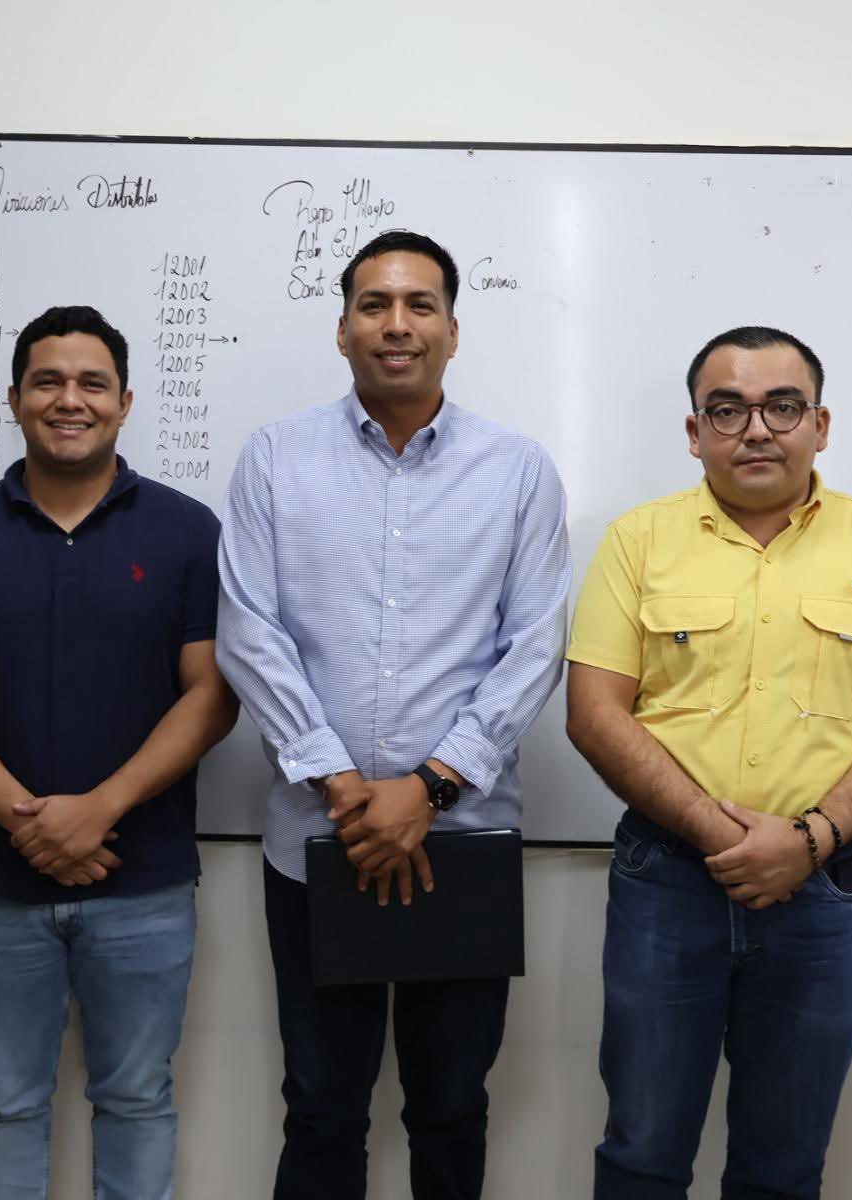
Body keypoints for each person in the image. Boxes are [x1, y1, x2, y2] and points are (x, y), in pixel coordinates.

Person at [216, 229, 571, 1200]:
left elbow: (534, 647)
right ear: (343, 330)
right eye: (374, 304)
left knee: (451, 1106)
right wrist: (344, 787)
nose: (397, 324)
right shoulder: (276, 459)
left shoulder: (517, 470)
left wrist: (429, 787)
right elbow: (250, 633)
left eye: (420, 305)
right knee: (320, 1105)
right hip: (316, 844)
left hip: (462, 844)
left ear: (453, 329)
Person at [565, 325, 852, 1199]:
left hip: (825, 890)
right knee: (641, 1151)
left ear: (821, 424)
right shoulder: (637, 541)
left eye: (782, 407)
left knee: (784, 1165)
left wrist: (808, 841)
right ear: (694, 431)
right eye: (727, 409)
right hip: (669, 880)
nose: (756, 429)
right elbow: (593, 713)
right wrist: (722, 835)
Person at [0, 304, 237, 1200]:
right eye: (49, 382)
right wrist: (29, 822)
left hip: (143, 883)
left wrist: (98, 810)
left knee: (136, 1098)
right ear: (14, 399)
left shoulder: (187, 531)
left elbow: (211, 695)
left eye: (93, 383)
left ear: (125, 402)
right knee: (4, 1101)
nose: (71, 400)